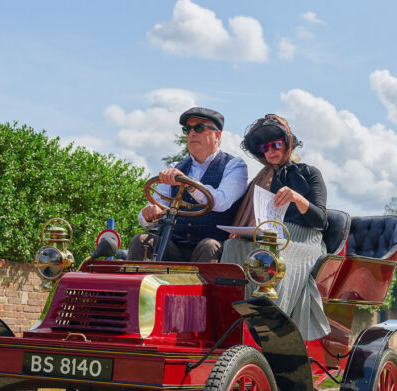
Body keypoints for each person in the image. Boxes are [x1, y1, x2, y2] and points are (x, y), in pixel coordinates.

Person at [221, 114, 330, 341]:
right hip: (273, 234)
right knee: (232, 245)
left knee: (272, 255)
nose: (270, 151)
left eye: (275, 144)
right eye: (264, 147)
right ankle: (232, 317)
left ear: (287, 144)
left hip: (305, 238)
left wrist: (297, 198)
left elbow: (320, 220)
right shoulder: (266, 178)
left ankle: (272, 328)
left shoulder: (310, 173)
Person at [127, 107, 248, 262]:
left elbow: (221, 202)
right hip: (174, 246)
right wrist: (148, 213)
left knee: (209, 246)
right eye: (187, 129)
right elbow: (154, 207)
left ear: (217, 135)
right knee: (142, 241)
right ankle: (137, 286)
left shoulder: (234, 166)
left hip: (212, 247)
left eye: (199, 128)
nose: (192, 133)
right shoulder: (175, 167)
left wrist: (190, 185)